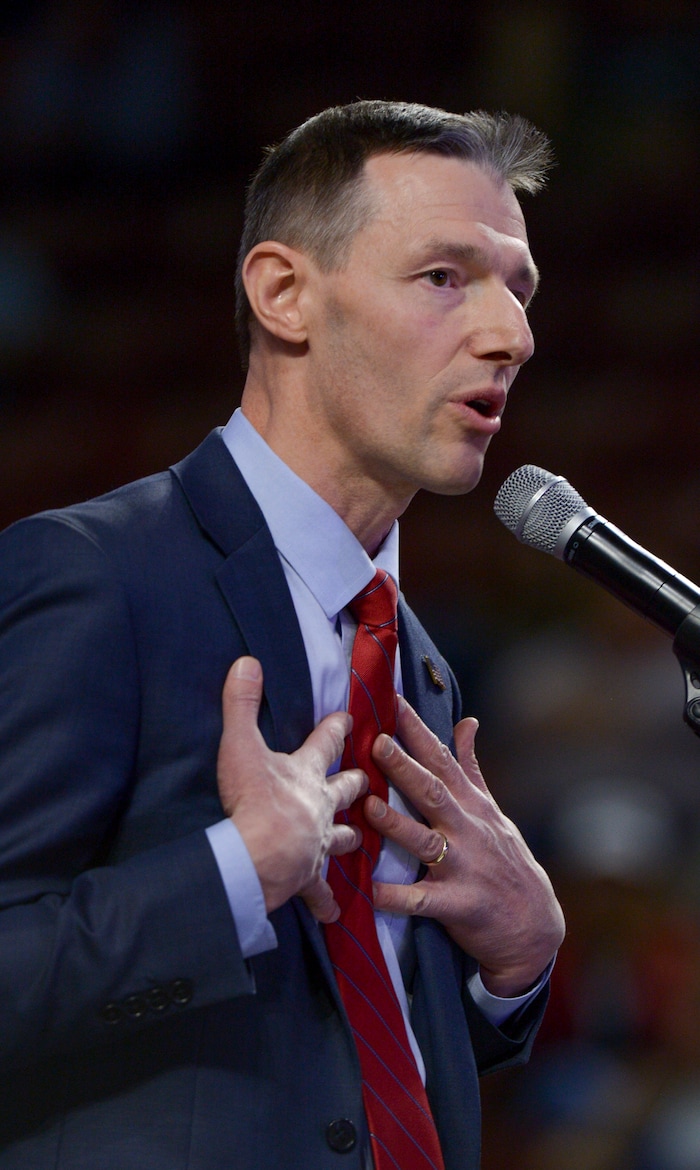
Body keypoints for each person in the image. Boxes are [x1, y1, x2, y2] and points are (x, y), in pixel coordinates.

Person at [0, 100, 565, 1169]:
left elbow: (340, 1054)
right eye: (444, 277)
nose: (512, 335)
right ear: (284, 294)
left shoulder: (417, 664)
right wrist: (231, 873)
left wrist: (516, 967)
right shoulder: (98, 576)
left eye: (520, 289)